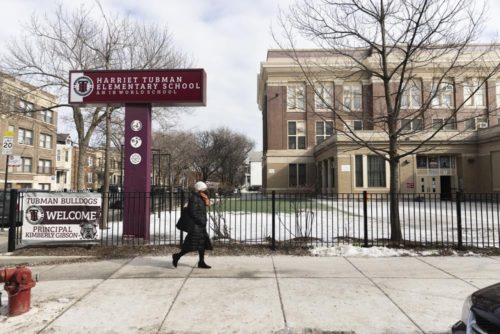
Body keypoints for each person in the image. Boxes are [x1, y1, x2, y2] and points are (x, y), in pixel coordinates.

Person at [172, 181, 213, 269]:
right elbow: (193, 212)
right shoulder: (194, 198)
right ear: (199, 189)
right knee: (190, 245)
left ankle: (201, 262)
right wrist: (201, 221)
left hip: (201, 225)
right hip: (196, 226)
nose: (205, 191)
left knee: (201, 244)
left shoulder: (200, 197)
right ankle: (177, 256)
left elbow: (200, 210)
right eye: (203, 189)